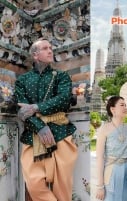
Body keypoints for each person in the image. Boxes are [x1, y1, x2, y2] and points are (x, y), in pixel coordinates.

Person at [15, 38, 78, 201]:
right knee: (34, 184)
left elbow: (64, 99)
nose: (50, 51)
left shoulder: (61, 76)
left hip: (61, 135)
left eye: (51, 48)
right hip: (32, 137)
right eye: (45, 48)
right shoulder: (22, 81)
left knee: (63, 189)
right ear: (35, 55)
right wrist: (40, 126)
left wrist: (36, 108)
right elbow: (21, 109)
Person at [95, 96, 127, 201]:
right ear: (112, 109)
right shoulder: (104, 129)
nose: (125, 107)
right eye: (122, 105)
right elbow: (99, 157)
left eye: (126, 105)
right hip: (111, 172)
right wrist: (100, 186)